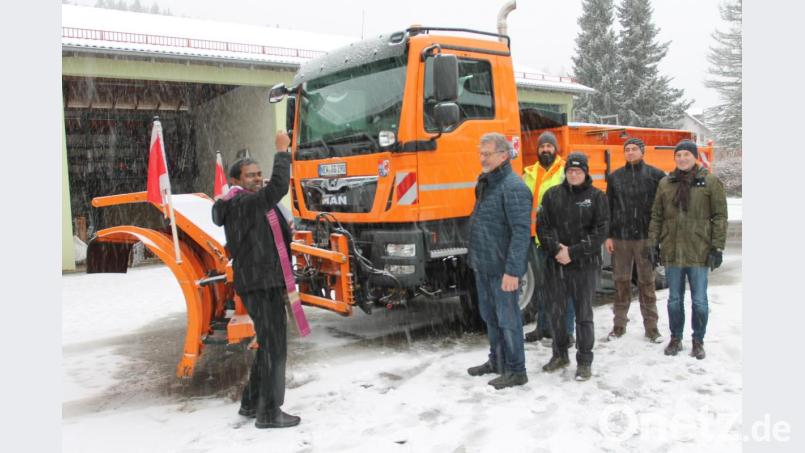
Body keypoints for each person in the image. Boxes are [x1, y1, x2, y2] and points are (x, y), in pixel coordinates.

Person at [211, 131, 301, 428]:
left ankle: (251, 402)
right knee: (275, 348)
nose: (258, 178)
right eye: (251, 175)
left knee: (267, 345)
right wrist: (281, 153)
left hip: (263, 281)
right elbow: (276, 188)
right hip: (261, 285)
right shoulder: (241, 204)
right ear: (235, 181)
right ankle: (269, 413)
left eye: (259, 173)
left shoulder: (246, 203)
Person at [648, 140, 727, 360]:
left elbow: (720, 217)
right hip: (673, 252)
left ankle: (698, 340)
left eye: (686, 154)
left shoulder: (710, 182)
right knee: (674, 300)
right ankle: (675, 338)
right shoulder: (666, 183)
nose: (682, 158)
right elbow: (656, 216)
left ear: (694, 156)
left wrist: (717, 247)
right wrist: (653, 244)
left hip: (699, 252)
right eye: (678, 155)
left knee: (699, 301)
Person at [466, 132, 533, 389]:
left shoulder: (513, 187)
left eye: (487, 154)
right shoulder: (488, 183)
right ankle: (497, 360)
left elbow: (520, 234)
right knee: (490, 317)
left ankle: (517, 370)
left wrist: (513, 272)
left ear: (504, 155)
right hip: (484, 264)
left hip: (503, 269)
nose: (482, 158)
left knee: (508, 320)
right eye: (480, 153)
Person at [537, 152, 608, 381]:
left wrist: (573, 252)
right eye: (570, 171)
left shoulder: (597, 197)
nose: (573, 174)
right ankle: (559, 354)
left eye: (578, 170)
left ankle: (584, 361)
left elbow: (600, 232)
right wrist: (558, 250)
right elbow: (542, 227)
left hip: (584, 265)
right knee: (556, 313)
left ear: (585, 172)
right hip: (556, 263)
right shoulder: (552, 195)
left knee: (583, 315)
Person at [605, 137, 666, 343]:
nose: (630, 152)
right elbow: (609, 208)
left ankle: (652, 328)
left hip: (645, 239)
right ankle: (619, 325)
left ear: (642, 151)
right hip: (621, 239)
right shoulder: (615, 177)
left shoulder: (655, 176)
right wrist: (609, 235)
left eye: (634, 149)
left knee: (646, 283)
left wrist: (657, 236)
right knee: (620, 282)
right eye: (627, 149)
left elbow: (661, 209)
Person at [521, 131, 576, 346]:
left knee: (565, 288)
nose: (545, 150)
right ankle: (542, 327)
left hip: (559, 240)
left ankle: (567, 330)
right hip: (536, 239)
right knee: (543, 286)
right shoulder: (529, 173)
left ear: (556, 149)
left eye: (549, 146)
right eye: (542, 146)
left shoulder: (565, 171)